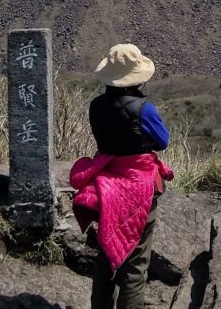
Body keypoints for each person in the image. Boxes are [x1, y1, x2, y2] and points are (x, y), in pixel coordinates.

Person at [69, 43, 172, 309]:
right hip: (140, 188)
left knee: (106, 255)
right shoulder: (144, 109)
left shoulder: (96, 106)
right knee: (136, 264)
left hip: (106, 188)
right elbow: (162, 142)